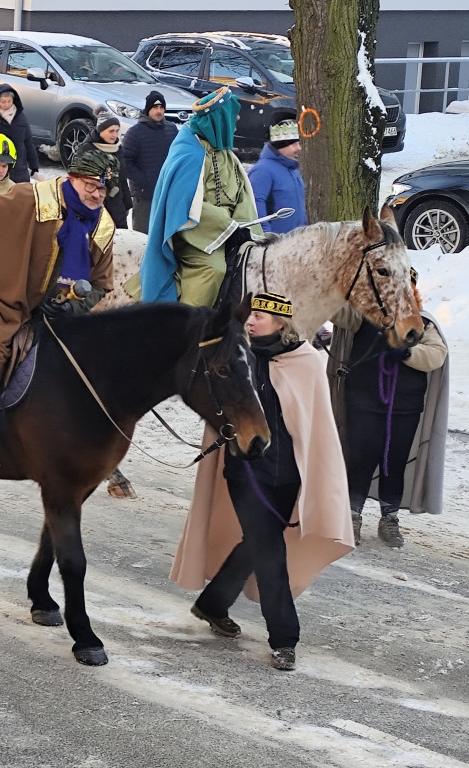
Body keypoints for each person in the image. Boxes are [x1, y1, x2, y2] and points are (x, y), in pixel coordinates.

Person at [171, 293, 354, 672]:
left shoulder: (307, 363)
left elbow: (315, 426)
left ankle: (212, 604)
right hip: (245, 473)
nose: (251, 322)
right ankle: (284, 638)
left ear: (282, 323)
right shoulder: (238, 357)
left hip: (286, 477)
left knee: (255, 545)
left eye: (260, 316)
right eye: (250, 315)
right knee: (270, 552)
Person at [0, 148, 118, 394]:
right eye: (90, 186)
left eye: (103, 190)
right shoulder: (33, 199)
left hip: (51, 312)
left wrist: (70, 307)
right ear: (73, 178)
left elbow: (100, 284)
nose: (96, 195)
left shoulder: (102, 227)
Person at [327, 268, 449, 548]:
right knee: (360, 457)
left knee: (394, 462)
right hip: (363, 400)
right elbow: (336, 313)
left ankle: (389, 518)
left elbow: (436, 354)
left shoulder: (423, 323)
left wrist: (407, 353)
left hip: (404, 407)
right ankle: (352, 516)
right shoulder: (363, 314)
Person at [135, 87, 261, 307]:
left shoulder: (224, 152)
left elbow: (241, 193)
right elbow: (186, 205)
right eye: (233, 117)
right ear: (219, 120)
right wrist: (229, 227)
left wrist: (244, 226)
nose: (237, 121)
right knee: (213, 269)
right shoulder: (189, 153)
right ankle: (189, 325)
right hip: (195, 234)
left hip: (229, 230)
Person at [121, 90, 177, 235]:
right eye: (155, 107)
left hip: (168, 193)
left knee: (165, 234)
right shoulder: (135, 132)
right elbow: (124, 161)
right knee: (143, 236)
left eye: (161, 107)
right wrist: (144, 180)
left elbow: (177, 156)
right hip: (145, 195)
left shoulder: (171, 129)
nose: (159, 111)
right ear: (147, 109)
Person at [71, 107, 129, 228]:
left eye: (117, 131)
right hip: (94, 205)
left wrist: (127, 203)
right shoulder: (87, 149)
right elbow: (79, 180)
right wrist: (107, 187)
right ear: (101, 130)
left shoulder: (117, 148)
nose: (114, 135)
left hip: (117, 208)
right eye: (111, 131)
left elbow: (122, 178)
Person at [247, 119, 307, 234]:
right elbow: (255, 203)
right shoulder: (263, 170)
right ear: (281, 146)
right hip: (276, 243)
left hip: (296, 241)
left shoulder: (293, 169)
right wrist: (265, 234)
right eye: (294, 144)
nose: (299, 148)